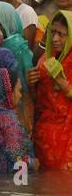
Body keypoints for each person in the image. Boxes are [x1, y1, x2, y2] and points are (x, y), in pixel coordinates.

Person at [33, 9, 72, 171]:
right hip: (45, 135)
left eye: (61, 34)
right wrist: (32, 82)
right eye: (53, 32)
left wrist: (62, 82)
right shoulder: (45, 59)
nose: (55, 39)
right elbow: (38, 101)